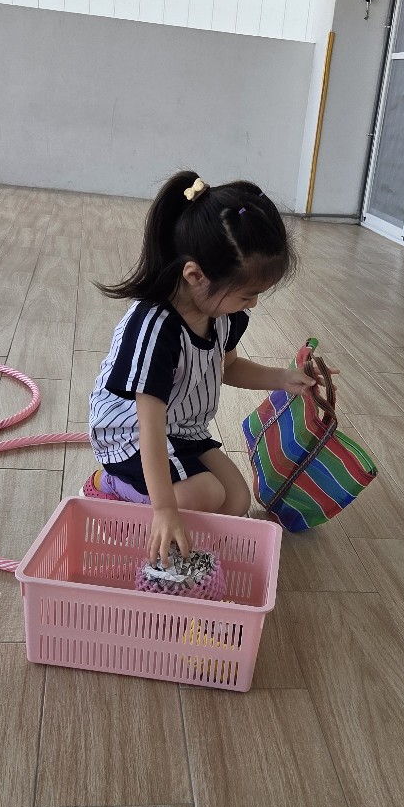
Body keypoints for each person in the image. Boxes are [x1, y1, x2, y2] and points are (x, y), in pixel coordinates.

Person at [86, 170, 314, 565]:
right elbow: (149, 426)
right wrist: (164, 510)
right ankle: (109, 486)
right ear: (195, 275)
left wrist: (283, 378)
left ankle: (172, 530)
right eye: (247, 294)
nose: (253, 304)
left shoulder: (225, 313)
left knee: (236, 500)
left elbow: (229, 368)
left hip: (184, 428)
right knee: (206, 493)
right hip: (131, 433)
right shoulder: (155, 329)